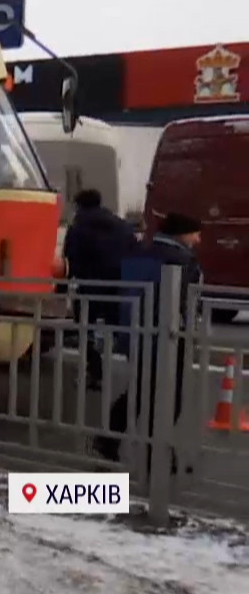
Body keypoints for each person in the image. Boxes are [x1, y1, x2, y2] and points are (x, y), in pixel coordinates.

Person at [95, 212, 204, 467]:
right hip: (168, 334)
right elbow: (187, 301)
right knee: (169, 396)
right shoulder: (181, 259)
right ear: (182, 233)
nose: (198, 240)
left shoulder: (139, 252)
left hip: (137, 331)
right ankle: (158, 453)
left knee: (142, 389)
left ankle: (110, 439)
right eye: (196, 233)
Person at [62, 189, 135, 390]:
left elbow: (70, 259)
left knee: (86, 329)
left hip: (89, 286)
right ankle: (142, 373)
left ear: (79, 205)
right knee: (123, 330)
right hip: (118, 286)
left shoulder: (78, 227)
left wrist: (63, 286)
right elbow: (133, 251)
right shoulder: (122, 226)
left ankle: (96, 373)